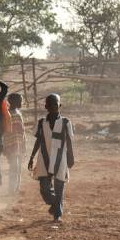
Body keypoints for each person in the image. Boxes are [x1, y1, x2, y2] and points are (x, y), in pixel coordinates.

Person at [28, 94, 75, 222]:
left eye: (56, 104)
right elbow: (38, 141)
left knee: (59, 186)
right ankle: (54, 204)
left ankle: (57, 215)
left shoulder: (66, 122)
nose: (53, 106)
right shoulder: (41, 123)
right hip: (44, 157)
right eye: (50, 104)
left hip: (61, 158)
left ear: (60, 105)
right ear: (46, 106)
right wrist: (32, 157)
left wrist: (71, 157)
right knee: (45, 190)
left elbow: (70, 141)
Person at [3, 92, 27, 196]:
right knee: (14, 168)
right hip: (11, 144)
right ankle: (11, 190)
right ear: (14, 102)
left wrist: (24, 144)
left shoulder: (17, 112)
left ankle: (15, 189)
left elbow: (22, 131)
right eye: (20, 101)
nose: (22, 102)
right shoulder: (8, 114)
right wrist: (5, 146)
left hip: (19, 144)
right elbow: (5, 131)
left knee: (18, 168)